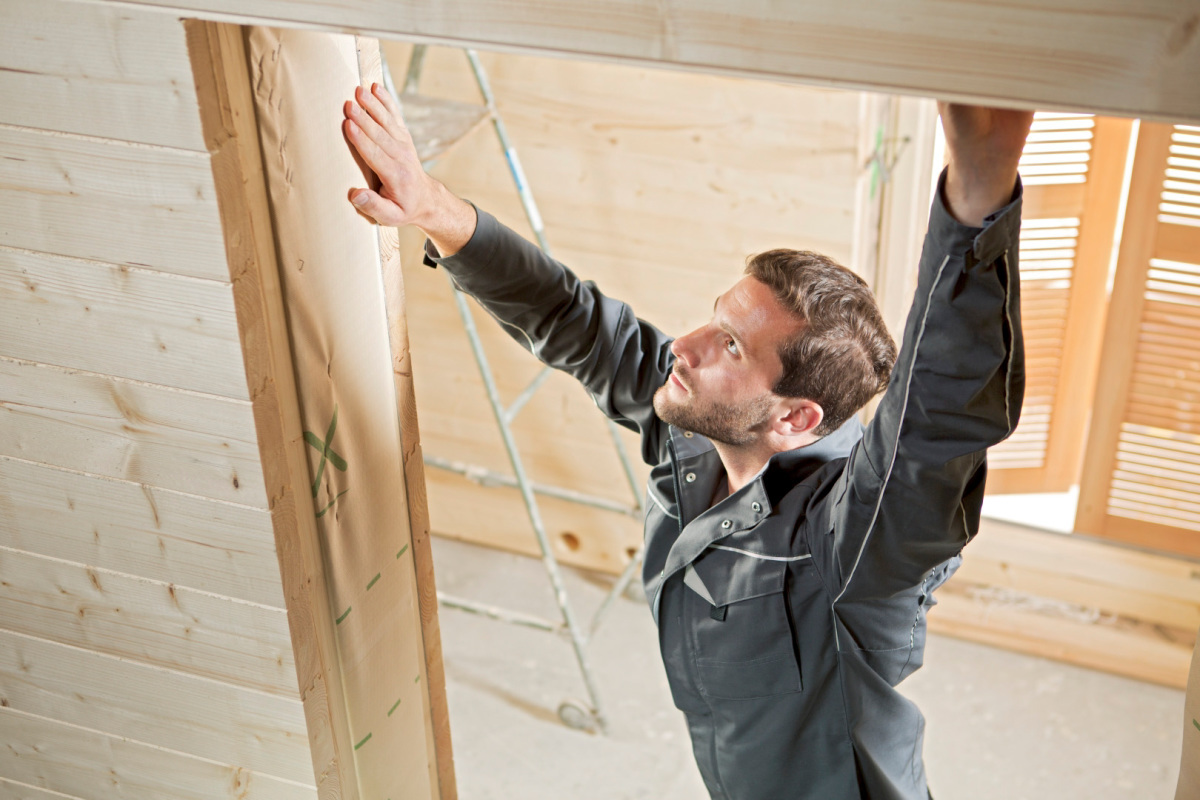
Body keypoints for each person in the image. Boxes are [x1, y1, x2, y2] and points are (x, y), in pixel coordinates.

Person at [343, 84, 1033, 800]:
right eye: (714, 318)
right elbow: (573, 319)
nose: (687, 345)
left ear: (794, 419)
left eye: (730, 345)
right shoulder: (698, 435)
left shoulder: (853, 543)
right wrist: (431, 208)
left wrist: (977, 202)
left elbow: (931, 428)